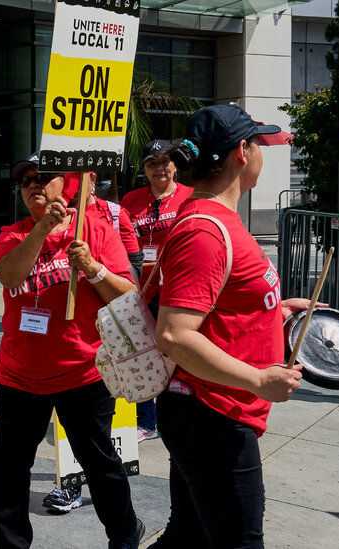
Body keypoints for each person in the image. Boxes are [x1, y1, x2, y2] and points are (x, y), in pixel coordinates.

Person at [151, 104, 311, 548]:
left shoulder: (221, 219)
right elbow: (174, 334)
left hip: (211, 410)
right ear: (242, 151)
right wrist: (259, 378)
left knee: (189, 536)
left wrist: (271, 311)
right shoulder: (204, 230)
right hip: (212, 414)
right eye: (258, 143)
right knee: (238, 541)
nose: (262, 151)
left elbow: (218, 307)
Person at [0, 159, 144, 548]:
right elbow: (10, 275)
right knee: (10, 472)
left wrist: (93, 269)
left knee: (99, 463)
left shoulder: (96, 230)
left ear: (68, 184)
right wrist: (43, 228)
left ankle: (126, 533)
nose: (32, 186)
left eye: (43, 178)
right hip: (20, 377)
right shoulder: (13, 234)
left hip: (83, 373)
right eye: (26, 181)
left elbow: (129, 297)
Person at [121, 139, 195, 443]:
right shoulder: (131, 201)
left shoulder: (191, 197)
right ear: (144, 170)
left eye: (165, 162)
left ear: (175, 165)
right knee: (142, 355)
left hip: (179, 290)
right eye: (152, 164)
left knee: (180, 354)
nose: (160, 168)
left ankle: (182, 416)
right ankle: (146, 421)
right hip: (141, 291)